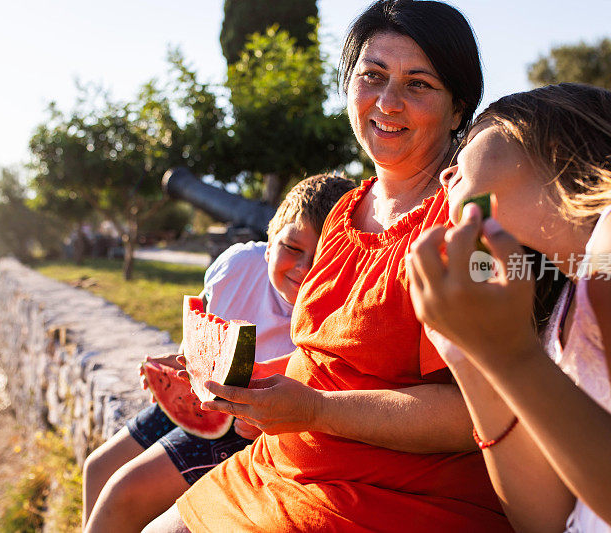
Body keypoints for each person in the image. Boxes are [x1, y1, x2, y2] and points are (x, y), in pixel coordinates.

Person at [145, 1, 512, 531]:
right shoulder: (343, 210)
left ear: (458, 110)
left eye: (418, 85)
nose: (387, 101)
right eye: (373, 75)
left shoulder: (469, 219)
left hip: (390, 495)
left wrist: (316, 412)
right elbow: (326, 363)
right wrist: (237, 386)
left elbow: (475, 410)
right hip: (279, 467)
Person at [407, 83, 611, 532]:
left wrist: (510, 355)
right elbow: (546, 521)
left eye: (473, 136)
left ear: (552, 138)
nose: (445, 173)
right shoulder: (561, 306)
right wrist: (472, 357)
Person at [82, 174, 356, 532]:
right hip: (200, 394)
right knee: (98, 468)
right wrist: (179, 365)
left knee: (123, 491)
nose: (304, 267)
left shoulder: (337, 309)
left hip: (247, 430)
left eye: (322, 256)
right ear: (269, 242)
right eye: (292, 248)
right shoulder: (235, 265)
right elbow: (204, 326)